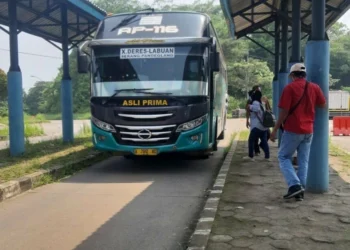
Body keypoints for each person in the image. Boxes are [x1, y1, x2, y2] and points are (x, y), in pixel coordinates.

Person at [270, 63, 326, 201]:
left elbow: (284, 111)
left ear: (293, 75)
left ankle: (294, 185)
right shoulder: (315, 87)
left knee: (283, 157)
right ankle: (300, 191)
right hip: (309, 130)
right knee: (303, 161)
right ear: (304, 75)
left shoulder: (290, 88)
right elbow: (323, 104)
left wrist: (275, 129)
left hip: (293, 129)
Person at [244, 90, 270, 161]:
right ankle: (267, 157)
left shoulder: (255, 102)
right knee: (264, 141)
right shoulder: (262, 103)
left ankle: (250, 156)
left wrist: (249, 106)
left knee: (251, 140)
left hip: (257, 126)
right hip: (264, 127)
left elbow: (256, 109)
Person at [246, 86, 261, 155]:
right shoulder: (252, 100)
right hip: (255, 122)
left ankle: (256, 150)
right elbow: (248, 111)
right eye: (258, 89)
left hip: (258, 122)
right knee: (255, 138)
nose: (259, 90)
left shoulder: (259, 100)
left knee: (256, 138)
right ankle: (256, 151)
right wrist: (247, 120)